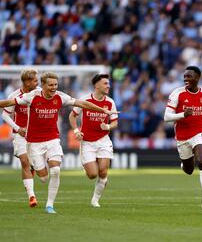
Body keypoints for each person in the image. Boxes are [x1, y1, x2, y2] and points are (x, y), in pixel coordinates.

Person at [0, 72, 118, 214]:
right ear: (43, 85)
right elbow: (10, 103)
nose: (54, 88)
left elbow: (81, 103)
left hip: (53, 139)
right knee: (43, 178)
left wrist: (101, 110)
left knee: (55, 171)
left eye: (56, 84)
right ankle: (36, 167)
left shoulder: (60, 97)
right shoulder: (32, 96)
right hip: (34, 142)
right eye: (50, 85)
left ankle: (50, 205)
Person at [164, 66, 202, 211]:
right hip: (182, 135)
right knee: (189, 169)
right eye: (184, 77)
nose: (186, 79)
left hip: (200, 131)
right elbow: (166, 117)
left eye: (189, 76)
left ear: (198, 78)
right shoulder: (177, 94)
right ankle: (184, 164)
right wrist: (182, 115)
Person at [68, 74, 118, 208]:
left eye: (108, 83)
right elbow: (72, 116)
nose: (108, 86)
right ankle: (89, 167)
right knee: (92, 174)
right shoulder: (84, 100)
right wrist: (76, 131)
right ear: (97, 85)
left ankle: (95, 200)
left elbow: (114, 122)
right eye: (105, 83)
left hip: (103, 140)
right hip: (87, 142)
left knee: (103, 172)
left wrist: (107, 126)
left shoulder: (110, 102)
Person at [2, 69, 39, 207]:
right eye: (35, 80)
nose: (37, 83)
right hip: (20, 134)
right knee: (24, 161)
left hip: (37, 135)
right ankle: (32, 196)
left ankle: (33, 169)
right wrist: (18, 128)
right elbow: (5, 115)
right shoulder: (15, 95)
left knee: (34, 165)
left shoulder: (39, 92)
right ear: (27, 82)